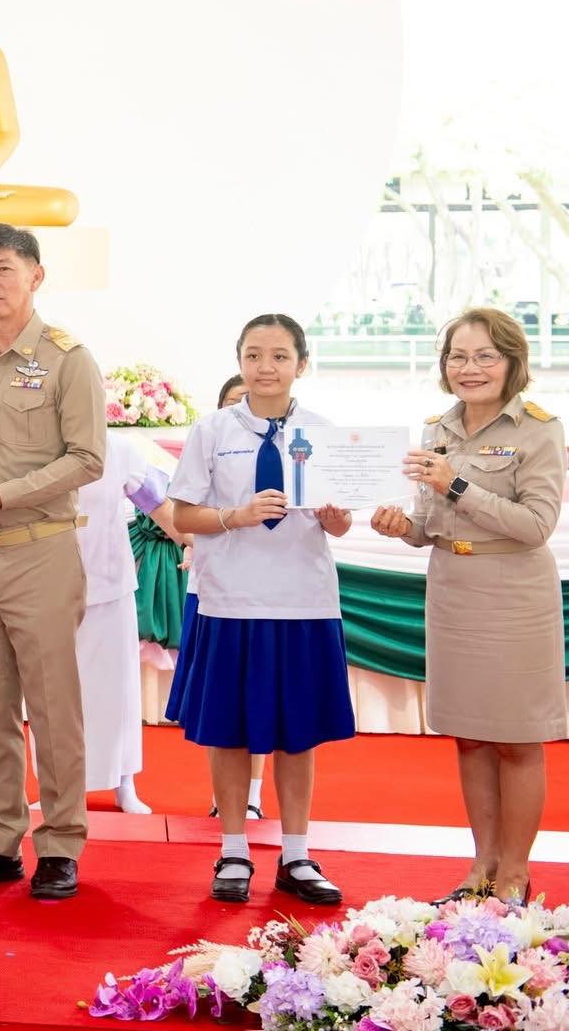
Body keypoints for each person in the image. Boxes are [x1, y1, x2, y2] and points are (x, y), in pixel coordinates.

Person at [371, 307, 566, 907]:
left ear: (512, 362)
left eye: (485, 355)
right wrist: (399, 524)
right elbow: (427, 526)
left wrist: (456, 482)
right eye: (458, 355)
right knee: (470, 738)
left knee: (516, 739)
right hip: (452, 588)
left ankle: (514, 873)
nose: (470, 367)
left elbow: (536, 525)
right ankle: (480, 868)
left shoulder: (538, 429)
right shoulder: (438, 428)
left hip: (514, 595)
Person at [0, 223, 104, 902]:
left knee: (53, 705)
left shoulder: (68, 359)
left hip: (40, 552)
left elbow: (87, 458)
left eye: (4, 268)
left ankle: (60, 841)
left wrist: (3, 494)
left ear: (36, 275)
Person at [168, 313, 353, 906]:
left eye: (278, 356)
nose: (265, 367)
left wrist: (335, 518)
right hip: (230, 599)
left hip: (303, 600)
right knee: (230, 730)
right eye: (253, 355)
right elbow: (183, 514)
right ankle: (233, 849)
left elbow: (343, 521)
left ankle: (297, 854)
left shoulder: (325, 432)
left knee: (299, 734)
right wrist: (236, 515)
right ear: (239, 361)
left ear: (302, 363)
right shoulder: (212, 430)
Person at [172, 375, 267, 821]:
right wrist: (200, 540)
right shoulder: (208, 438)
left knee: (262, 700)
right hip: (211, 592)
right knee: (220, 705)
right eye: (234, 401)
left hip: (267, 593)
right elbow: (183, 514)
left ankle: (252, 794)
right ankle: (224, 797)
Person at [72, 428, 177, 815]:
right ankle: (57, 786)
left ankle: (124, 785)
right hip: (47, 587)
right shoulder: (34, 443)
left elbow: (162, 506)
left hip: (110, 586)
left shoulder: (119, 449)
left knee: (118, 690)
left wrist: (196, 543)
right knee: (52, 692)